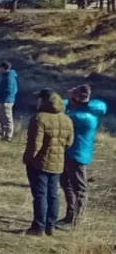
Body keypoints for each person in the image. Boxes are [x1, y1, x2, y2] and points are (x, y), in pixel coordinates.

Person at [22, 89, 74, 236]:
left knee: (40, 195)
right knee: (53, 195)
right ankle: (50, 225)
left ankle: (38, 227)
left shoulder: (39, 118)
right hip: (58, 163)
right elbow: (69, 142)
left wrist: (28, 159)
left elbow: (35, 145)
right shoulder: (66, 119)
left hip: (39, 163)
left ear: (43, 101)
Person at [62, 85, 106, 227]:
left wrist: (68, 99)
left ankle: (76, 219)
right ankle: (71, 215)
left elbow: (61, 110)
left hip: (75, 154)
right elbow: (100, 105)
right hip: (78, 153)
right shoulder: (91, 110)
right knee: (68, 184)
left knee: (78, 187)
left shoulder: (78, 116)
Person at [0, 61, 20, 141]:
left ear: (4, 68)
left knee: (7, 118)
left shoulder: (9, 78)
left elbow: (10, 90)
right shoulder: (6, 76)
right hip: (3, 100)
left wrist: (5, 99)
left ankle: (8, 136)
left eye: (0, 68)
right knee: (2, 118)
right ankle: (4, 134)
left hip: (6, 101)